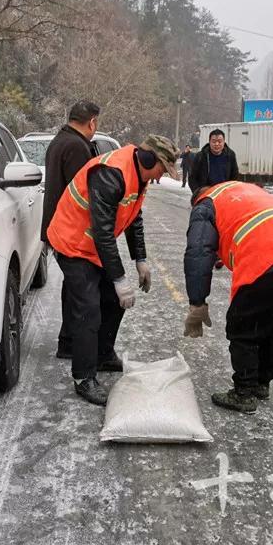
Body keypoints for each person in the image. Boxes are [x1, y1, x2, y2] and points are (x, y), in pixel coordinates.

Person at [47, 135, 179, 405]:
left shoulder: (138, 177)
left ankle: (102, 356)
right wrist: (119, 278)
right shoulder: (111, 174)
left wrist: (140, 259)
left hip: (93, 246)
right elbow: (103, 233)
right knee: (89, 309)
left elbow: (134, 217)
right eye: (161, 169)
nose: (160, 176)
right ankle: (84, 377)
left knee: (115, 302)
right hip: (71, 242)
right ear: (149, 159)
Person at [183, 180, 273, 413]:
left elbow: (198, 253)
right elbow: (248, 225)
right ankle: (261, 384)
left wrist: (197, 303)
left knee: (242, 327)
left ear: (198, 200)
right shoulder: (241, 190)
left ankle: (244, 393)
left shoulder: (204, 206)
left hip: (268, 263)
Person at [41, 100, 101, 359]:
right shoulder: (76, 147)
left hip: (58, 227)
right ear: (92, 122)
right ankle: (72, 345)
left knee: (73, 288)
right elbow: (83, 192)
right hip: (70, 230)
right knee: (83, 293)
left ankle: (67, 341)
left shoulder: (60, 141)